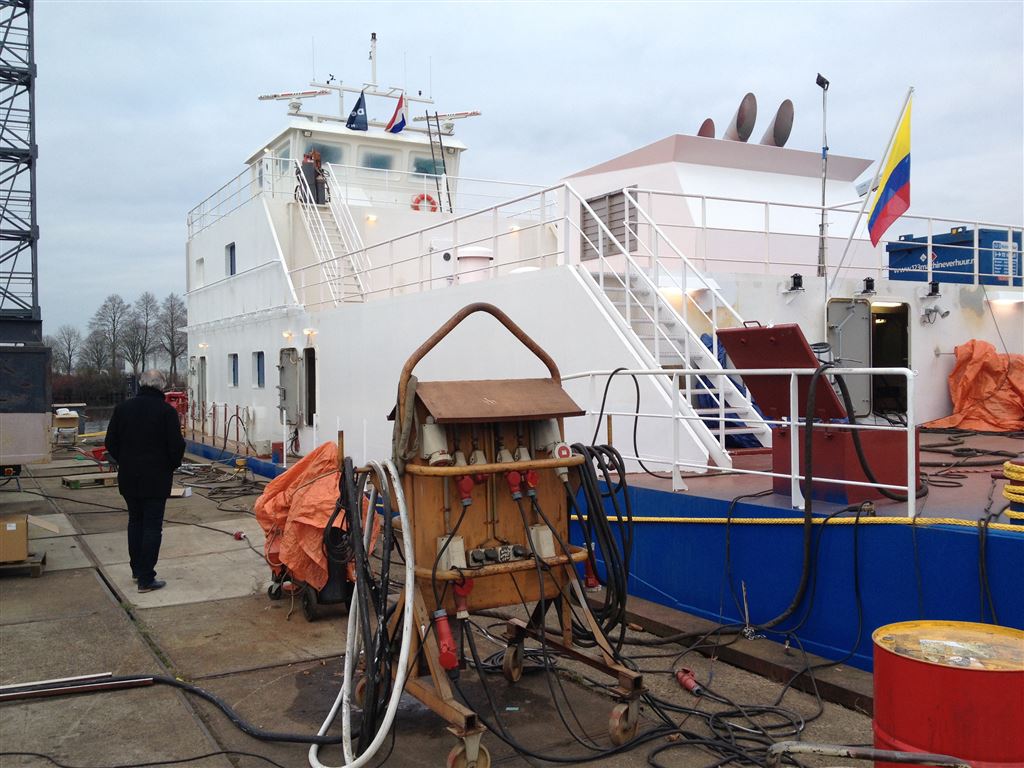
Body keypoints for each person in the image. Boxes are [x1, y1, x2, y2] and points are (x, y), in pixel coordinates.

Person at [104, 370, 186, 593]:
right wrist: (170, 465)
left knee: (135, 521)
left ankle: (136, 569)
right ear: (161, 387)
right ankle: (146, 578)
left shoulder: (122, 409)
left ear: (141, 384)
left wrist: (125, 460)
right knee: (152, 526)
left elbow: (110, 442)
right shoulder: (166, 412)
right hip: (157, 478)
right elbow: (177, 446)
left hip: (129, 476)